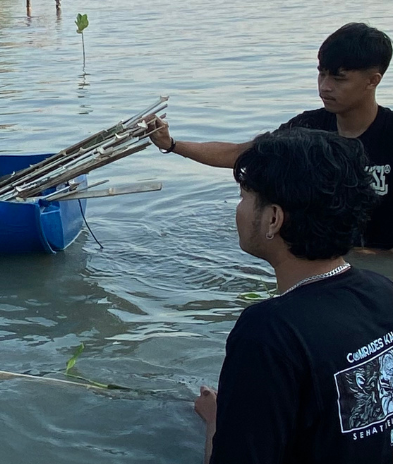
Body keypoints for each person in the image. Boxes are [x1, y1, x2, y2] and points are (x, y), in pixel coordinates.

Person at [195, 128, 393, 463]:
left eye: (244, 197)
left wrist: (217, 422)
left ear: (273, 219)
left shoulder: (269, 332)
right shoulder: (382, 290)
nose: (239, 209)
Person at [148, 23, 393, 250]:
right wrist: (172, 144)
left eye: (339, 78)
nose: (325, 87)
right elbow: (242, 154)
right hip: (328, 258)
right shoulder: (307, 128)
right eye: (322, 74)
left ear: (373, 81)